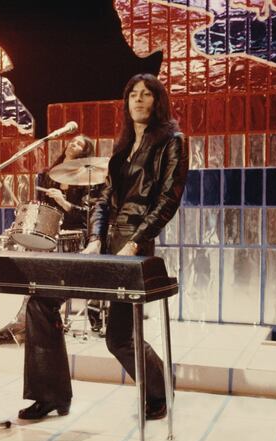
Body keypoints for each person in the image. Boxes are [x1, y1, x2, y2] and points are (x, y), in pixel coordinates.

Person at [80, 73, 188, 420]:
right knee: (117, 335)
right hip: (109, 240)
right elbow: (105, 196)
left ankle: (159, 391)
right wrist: (95, 237)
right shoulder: (123, 145)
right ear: (126, 103)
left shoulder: (172, 140)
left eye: (146, 94)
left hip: (135, 242)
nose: (138, 100)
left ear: (158, 101)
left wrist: (137, 241)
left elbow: (168, 198)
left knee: (119, 336)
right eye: (133, 95)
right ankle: (160, 387)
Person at [17, 134, 104, 420]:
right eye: (72, 141)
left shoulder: (90, 179)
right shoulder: (49, 176)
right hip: (50, 249)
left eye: (81, 144)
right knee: (41, 306)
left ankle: (51, 396)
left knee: (39, 305)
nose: (73, 145)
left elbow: (91, 217)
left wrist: (65, 203)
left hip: (77, 251)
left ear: (86, 153)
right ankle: (57, 396)